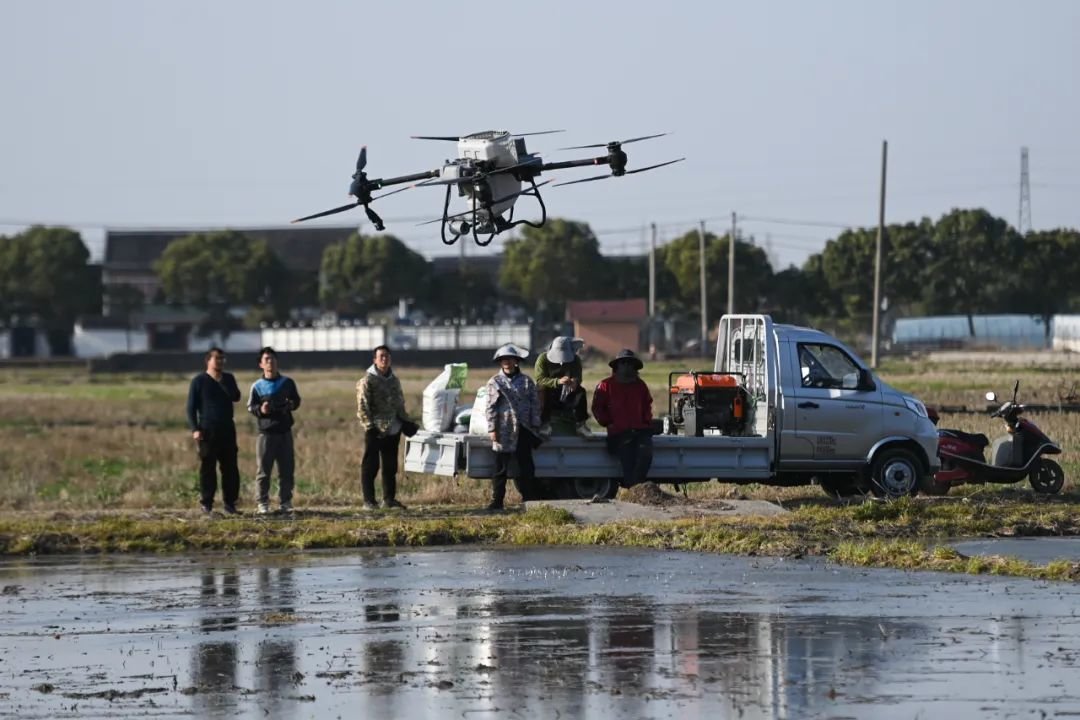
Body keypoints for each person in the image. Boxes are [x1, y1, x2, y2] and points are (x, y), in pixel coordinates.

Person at [356, 345, 417, 510]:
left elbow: (399, 404)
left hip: (393, 429)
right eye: (381, 356)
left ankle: (389, 500)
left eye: (387, 356)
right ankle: (369, 501)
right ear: (375, 360)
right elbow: (363, 406)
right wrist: (370, 426)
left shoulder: (394, 380)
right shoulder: (367, 380)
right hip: (375, 430)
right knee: (371, 465)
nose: (385, 359)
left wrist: (406, 422)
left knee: (390, 467)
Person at [485, 343, 541, 511]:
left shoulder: (526, 381)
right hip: (503, 429)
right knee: (500, 468)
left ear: (516, 361)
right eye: (503, 360)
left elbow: (534, 404)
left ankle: (529, 499)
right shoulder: (495, 382)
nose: (506, 362)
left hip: (524, 428)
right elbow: (490, 407)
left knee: (526, 466)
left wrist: (535, 424)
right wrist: (492, 429)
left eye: (509, 359)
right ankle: (497, 501)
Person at [186, 346, 242, 515]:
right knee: (207, 468)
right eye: (216, 358)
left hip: (227, 429)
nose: (220, 361)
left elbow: (236, 397)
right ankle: (207, 503)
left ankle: (230, 504)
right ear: (208, 361)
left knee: (230, 468)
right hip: (207, 430)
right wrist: (195, 428)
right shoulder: (198, 381)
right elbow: (191, 407)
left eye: (222, 358)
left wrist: (223, 381)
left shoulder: (229, 378)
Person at [247, 346, 302, 515]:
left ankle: (285, 501)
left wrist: (290, 405)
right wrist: (261, 409)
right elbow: (250, 406)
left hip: (285, 431)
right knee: (264, 471)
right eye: (267, 360)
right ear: (261, 365)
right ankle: (262, 503)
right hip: (266, 434)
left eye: (273, 359)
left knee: (286, 470)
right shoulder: (257, 386)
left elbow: (296, 401)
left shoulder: (287, 383)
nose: (271, 362)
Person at [592, 349, 654, 489]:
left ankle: (637, 488)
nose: (627, 366)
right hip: (619, 433)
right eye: (623, 363)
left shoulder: (640, 386)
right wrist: (608, 423)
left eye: (630, 363)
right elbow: (597, 408)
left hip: (640, 431)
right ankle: (632, 488)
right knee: (627, 458)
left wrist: (646, 423)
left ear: (635, 367)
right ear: (617, 366)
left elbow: (647, 407)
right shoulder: (605, 385)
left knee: (646, 453)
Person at [534, 336, 590, 436]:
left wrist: (574, 382)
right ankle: (545, 424)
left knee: (581, 391)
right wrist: (557, 381)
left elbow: (578, 377)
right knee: (542, 389)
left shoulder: (575, 359)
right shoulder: (542, 358)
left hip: (567, 391)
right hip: (549, 391)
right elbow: (540, 379)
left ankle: (581, 424)